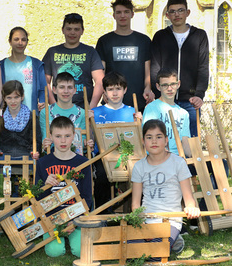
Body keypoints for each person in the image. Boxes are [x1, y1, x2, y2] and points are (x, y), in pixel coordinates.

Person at [131, 119, 200, 255]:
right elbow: (135, 204)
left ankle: (172, 237)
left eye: (159, 137)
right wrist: (140, 221)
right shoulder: (139, 166)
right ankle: (173, 241)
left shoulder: (178, 163)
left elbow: (188, 198)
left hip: (170, 220)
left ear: (166, 140)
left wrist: (191, 207)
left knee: (156, 254)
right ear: (143, 141)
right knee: (131, 252)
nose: (154, 141)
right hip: (146, 219)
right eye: (149, 137)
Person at [151, 0, 209, 137]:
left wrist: (199, 95)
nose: (177, 14)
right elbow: (155, 67)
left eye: (180, 10)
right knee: (164, 139)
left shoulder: (199, 35)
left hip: (190, 101)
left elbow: (203, 67)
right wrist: (157, 92)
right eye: (172, 11)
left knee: (191, 143)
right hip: (164, 99)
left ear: (187, 12)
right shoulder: (160, 36)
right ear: (167, 15)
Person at [35, 116, 92, 257]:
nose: (63, 140)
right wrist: (45, 185)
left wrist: (75, 220)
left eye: (67, 136)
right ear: (51, 137)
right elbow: (37, 198)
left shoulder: (83, 163)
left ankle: (74, 234)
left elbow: (87, 197)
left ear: (74, 136)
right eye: (58, 136)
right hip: (52, 219)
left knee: (80, 251)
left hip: (75, 217)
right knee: (55, 252)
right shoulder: (43, 163)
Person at [0, 80, 42, 222]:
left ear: (22, 97)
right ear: (4, 98)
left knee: (39, 170)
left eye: (16, 97)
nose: (13, 101)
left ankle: (32, 211)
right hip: (5, 154)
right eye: (9, 97)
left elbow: (38, 139)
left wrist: (37, 152)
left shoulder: (31, 116)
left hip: (26, 155)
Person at [92, 71, 141, 210]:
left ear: (125, 90)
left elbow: (139, 140)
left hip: (129, 156)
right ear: (105, 92)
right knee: (101, 175)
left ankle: (135, 211)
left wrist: (139, 123)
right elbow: (90, 139)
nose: (114, 93)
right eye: (110, 89)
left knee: (140, 173)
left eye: (118, 89)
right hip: (103, 156)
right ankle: (102, 214)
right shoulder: (96, 113)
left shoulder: (132, 112)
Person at [96, 0, 153, 111]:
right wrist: (103, 91)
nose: (122, 15)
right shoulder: (104, 41)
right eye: (119, 12)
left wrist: (148, 88)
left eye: (126, 12)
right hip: (111, 101)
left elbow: (148, 69)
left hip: (137, 101)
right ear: (114, 15)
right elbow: (100, 71)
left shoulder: (144, 40)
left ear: (132, 14)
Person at [42, 13, 104, 109]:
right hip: (59, 106)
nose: (72, 33)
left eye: (76, 29)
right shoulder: (52, 52)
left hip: (84, 107)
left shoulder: (90, 51)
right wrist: (53, 105)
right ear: (63, 30)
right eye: (69, 29)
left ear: (82, 31)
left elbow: (100, 80)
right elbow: (45, 81)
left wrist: (92, 107)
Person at [39, 72, 93, 153]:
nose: (66, 91)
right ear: (54, 89)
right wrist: (45, 143)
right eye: (62, 87)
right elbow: (44, 139)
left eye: (70, 87)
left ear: (75, 90)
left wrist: (86, 143)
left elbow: (83, 142)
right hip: (53, 157)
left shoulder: (82, 113)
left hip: (75, 157)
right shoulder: (45, 113)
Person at [143, 68, 191, 157]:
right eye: (165, 85)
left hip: (179, 158)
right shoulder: (152, 108)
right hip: (157, 158)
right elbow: (149, 139)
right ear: (158, 87)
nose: (170, 89)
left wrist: (196, 156)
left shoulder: (184, 113)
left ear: (178, 84)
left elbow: (185, 141)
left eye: (173, 84)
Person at [0, 27, 46, 112]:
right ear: (10, 41)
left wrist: (42, 102)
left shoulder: (36, 65)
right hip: (8, 117)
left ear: (27, 42)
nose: (20, 43)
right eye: (16, 39)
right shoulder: (0, 66)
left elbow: (43, 88)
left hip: (31, 116)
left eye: (23, 39)